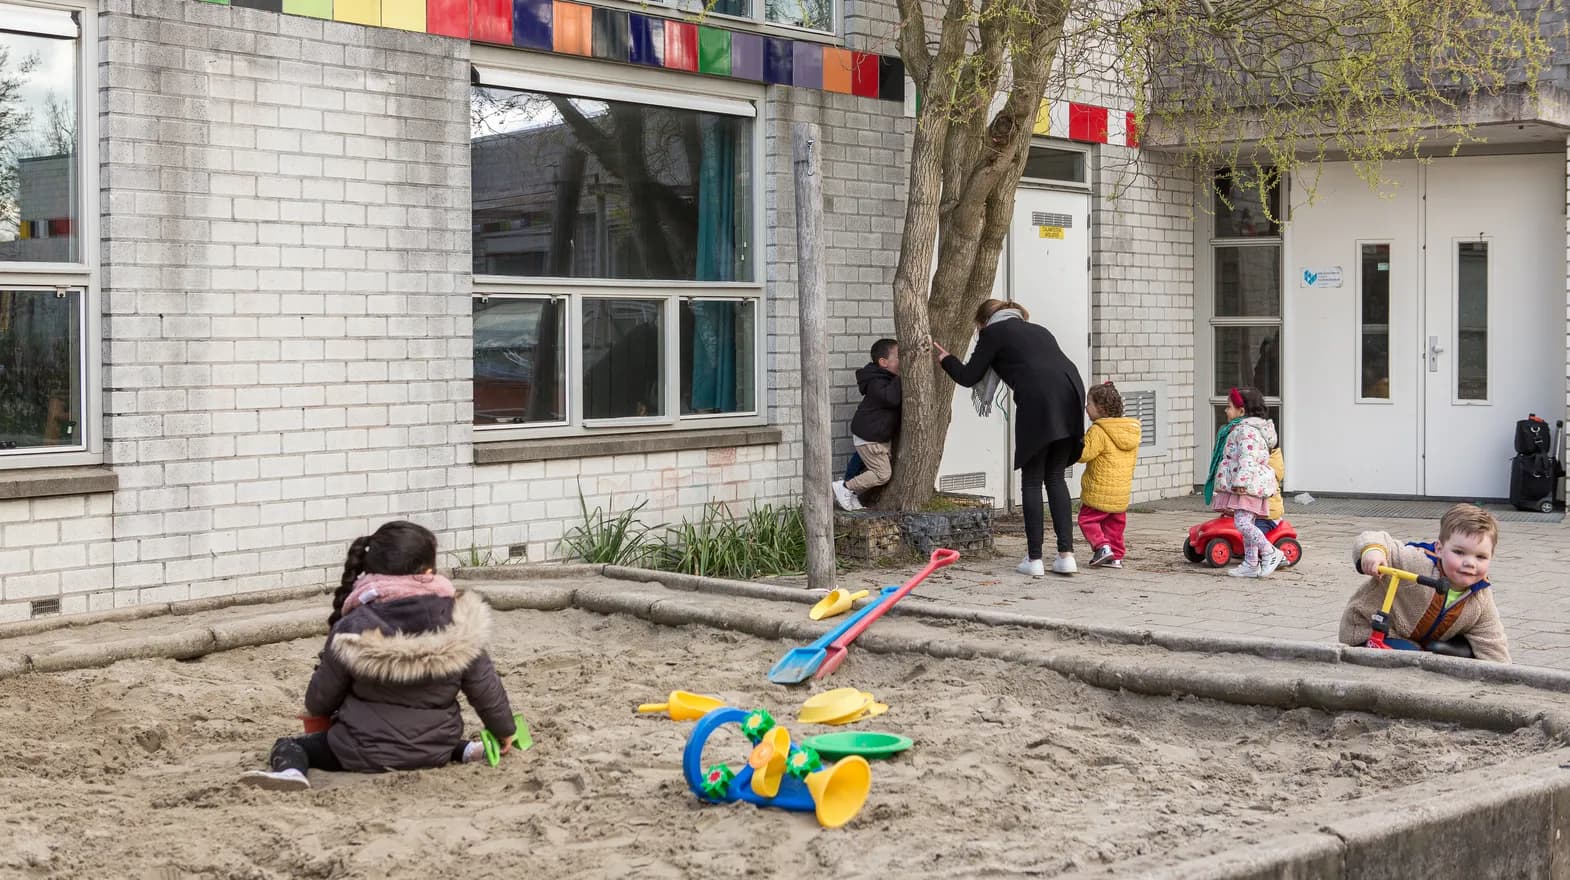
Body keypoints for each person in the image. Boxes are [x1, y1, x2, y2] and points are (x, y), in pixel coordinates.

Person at [239, 521, 518, 790]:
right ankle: (469, 750)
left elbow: (319, 699)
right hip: (436, 750)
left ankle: (291, 773)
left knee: (291, 745)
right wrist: (504, 730)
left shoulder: (353, 626)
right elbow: (485, 688)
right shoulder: (461, 621)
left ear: (371, 572)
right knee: (418, 736)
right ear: (430, 571)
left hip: (360, 751)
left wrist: (321, 715)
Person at [932, 300, 1086, 577]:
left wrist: (947, 360)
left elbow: (969, 377)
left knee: (1032, 478)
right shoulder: (1037, 329)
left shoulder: (994, 333)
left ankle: (1034, 559)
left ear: (983, 321)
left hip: (1039, 398)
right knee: (1055, 477)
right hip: (1071, 391)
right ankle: (1066, 556)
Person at [1338, 503, 1510, 663]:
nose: (1470, 563)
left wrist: (1504, 679)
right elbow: (1375, 538)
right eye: (1459, 552)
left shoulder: (1479, 597)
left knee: (1465, 655)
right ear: (1440, 549)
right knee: (1411, 663)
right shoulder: (1416, 563)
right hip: (1369, 632)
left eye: (1480, 557)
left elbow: (1492, 642)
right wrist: (1373, 551)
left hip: (1420, 643)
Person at [1204, 387, 1284, 578]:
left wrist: (1241, 482)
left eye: (1228, 407)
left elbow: (1248, 458)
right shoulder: (1246, 429)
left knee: (1242, 524)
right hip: (1250, 485)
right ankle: (1251, 563)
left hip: (1248, 486)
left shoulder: (1246, 431)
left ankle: (1270, 551)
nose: (1225, 411)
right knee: (1247, 522)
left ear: (1242, 410)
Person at [1077, 381, 1141, 569]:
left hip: (1100, 490)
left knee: (1086, 519)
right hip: (1121, 491)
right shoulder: (1130, 431)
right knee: (1115, 525)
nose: (1086, 407)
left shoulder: (1098, 430)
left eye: (1089, 403)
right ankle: (1116, 557)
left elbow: (1084, 455)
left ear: (1101, 408)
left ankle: (1102, 547)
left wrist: (1076, 444)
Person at [833, 339, 900, 512]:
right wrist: (901, 378)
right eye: (899, 357)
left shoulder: (884, 377)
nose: (903, 361)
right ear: (883, 362)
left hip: (874, 435)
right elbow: (891, 399)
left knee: (870, 467)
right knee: (882, 474)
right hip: (870, 437)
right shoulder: (877, 381)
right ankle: (845, 487)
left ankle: (852, 494)